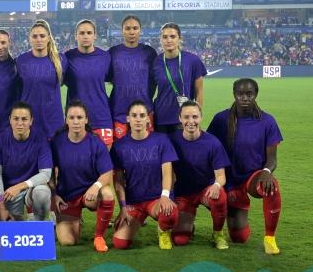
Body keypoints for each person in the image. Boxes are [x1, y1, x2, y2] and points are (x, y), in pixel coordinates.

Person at [207, 78, 283, 255]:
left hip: (253, 176)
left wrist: (266, 171)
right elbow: (210, 148)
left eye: (249, 94)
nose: (245, 98)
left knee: (271, 186)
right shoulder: (221, 119)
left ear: (256, 95)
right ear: (234, 95)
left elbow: (272, 159)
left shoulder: (267, 121)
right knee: (239, 238)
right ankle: (237, 206)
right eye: (240, 94)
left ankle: (270, 239)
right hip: (230, 179)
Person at [111, 101, 178, 250]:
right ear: (127, 119)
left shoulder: (161, 140)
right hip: (134, 202)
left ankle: (163, 231)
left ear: (148, 118)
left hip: (157, 199)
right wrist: (123, 207)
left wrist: (165, 195)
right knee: (120, 243)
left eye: (142, 115)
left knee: (170, 213)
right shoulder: (119, 146)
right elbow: (118, 180)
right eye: (134, 115)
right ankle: (138, 220)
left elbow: (168, 172)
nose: (138, 119)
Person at [49, 100, 115, 252]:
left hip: (89, 194)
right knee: (68, 241)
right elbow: (49, 172)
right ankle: (76, 220)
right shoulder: (57, 142)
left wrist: (96, 186)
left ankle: (99, 236)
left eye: (79, 117)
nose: (76, 122)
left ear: (86, 119)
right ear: (66, 120)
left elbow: (107, 172)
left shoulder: (96, 143)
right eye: (71, 118)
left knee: (106, 193)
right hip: (67, 196)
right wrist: (54, 194)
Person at [169, 101, 230, 250]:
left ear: (201, 118)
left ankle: (218, 234)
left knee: (220, 196)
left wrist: (216, 185)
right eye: (186, 117)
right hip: (183, 194)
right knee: (180, 240)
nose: (191, 121)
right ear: (180, 119)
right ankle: (189, 223)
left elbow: (221, 176)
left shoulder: (213, 143)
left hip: (205, 191)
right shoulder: (171, 140)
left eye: (195, 117)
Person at [0, 101, 53, 222]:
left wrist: (20, 186)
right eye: (16, 119)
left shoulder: (40, 139)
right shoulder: (0, 140)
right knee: (10, 231)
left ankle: (38, 224)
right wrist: (1, 207)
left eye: (24, 119)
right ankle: (20, 220)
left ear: (31, 121)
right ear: (10, 120)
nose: (20, 123)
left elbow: (46, 174)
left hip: (32, 188)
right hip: (10, 192)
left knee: (42, 194)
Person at [64, 20, 114, 148]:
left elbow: (113, 80)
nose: (85, 36)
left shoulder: (105, 57)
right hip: (76, 119)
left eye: (89, 33)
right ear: (75, 36)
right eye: (81, 33)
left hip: (101, 117)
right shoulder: (67, 57)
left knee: (103, 163)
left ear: (95, 35)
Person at [108, 15, 157, 140]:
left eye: (135, 28)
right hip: (119, 112)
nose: (131, 32)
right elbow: (107, 77)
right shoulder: (113, 52)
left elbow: (154, 81)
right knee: (120, 151)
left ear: (140, 30)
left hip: (144, 112)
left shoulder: (149, 52)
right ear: (122, 30)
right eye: (128, 28)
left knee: (146, 146)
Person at [15, 20, 66, 140]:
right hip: (28, 122)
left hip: (54, 122)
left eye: (42, 36)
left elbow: (66, 81)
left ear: (49, 37)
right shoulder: (21, 61)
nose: (39, 39)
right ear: (30, 38)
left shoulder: (61, 60)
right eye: (35, 36)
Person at [152, 23, 206, 133]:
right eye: (165, 37)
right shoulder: (156, 62)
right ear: (160, 40)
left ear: (180, 38)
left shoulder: (192, 60)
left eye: (172, 36)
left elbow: (199, 91)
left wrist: (196, 115)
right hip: (161, 118)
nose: (168, 40)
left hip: (185, 118)